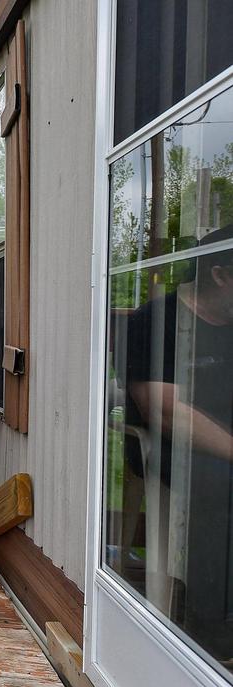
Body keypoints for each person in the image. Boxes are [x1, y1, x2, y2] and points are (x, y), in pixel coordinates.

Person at [123, 224, 233, 663]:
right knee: (220, 483)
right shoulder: (158, 319)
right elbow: (162, 410)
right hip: (172, 445)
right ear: (220, 276)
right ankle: (212, 623)